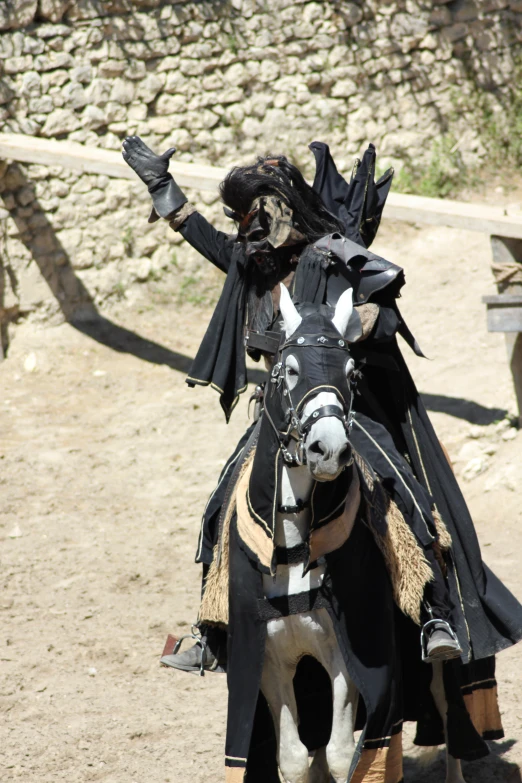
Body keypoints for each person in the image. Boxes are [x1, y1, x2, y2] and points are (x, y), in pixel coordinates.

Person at [121, 136, 522, 686]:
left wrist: (351, 326)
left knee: (401, 490)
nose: (249, 233)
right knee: (222, 502)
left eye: (257, 218)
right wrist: (163, 188)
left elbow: (383, 314)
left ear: (283, 211)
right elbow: (206, 240)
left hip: (345, 408)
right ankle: (213, 628)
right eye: (243, 222)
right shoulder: (251, 264)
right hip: (282, 413)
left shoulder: (331, 253)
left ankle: (431, 612)